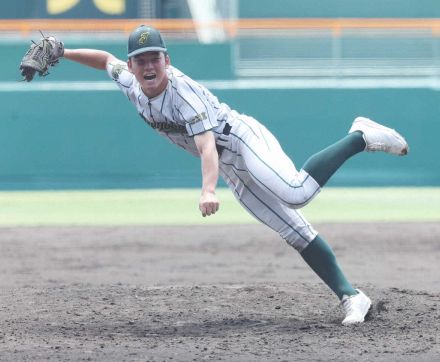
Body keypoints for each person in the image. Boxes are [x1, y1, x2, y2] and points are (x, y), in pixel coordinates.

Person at [60, 25, 408, 325]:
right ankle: (351, 296)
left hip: (241, 140)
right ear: (133, 65)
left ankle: (360, 137)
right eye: (141, 59)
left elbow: (207, 146)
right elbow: (106, 60)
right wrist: (63, 50)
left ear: (167, 60)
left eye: (155, 57)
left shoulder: (183, 95)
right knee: (294, 231)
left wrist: (208, 190)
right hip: (230, 164)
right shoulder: (131, 82)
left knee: (296, 191)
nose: (149, 65)